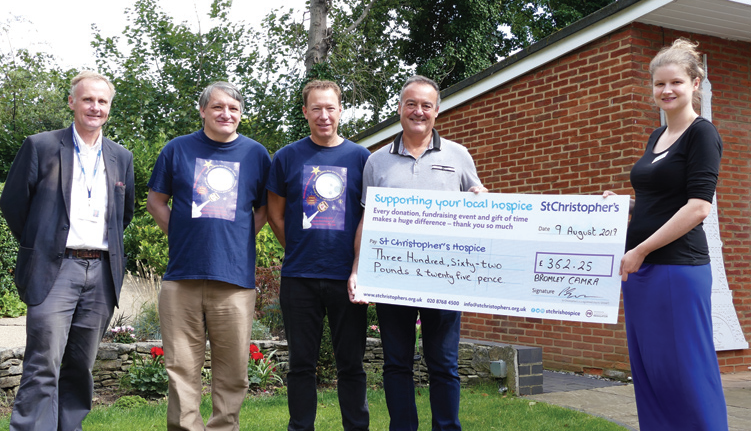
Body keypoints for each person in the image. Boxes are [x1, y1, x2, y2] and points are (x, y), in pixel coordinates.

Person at [348, 75, 487, 431]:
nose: (418, 111)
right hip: (392, 276)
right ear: (399, 109)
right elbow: (367, 220)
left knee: (444, 364)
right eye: (411, 104)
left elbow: (479, 204)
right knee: (397, 364)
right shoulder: (376, 161)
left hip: (445, 277)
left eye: (426, 105)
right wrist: (358, 269)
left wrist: (482, 198)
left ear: (437, 111)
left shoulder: (458, 155)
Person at [604, 38, 728, 430]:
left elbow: (698, 207)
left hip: (677, 270)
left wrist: (640, 249)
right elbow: (658, 202)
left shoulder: (702, 134)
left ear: (695, 83)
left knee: (686, 371)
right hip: (641, 270)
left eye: (676, 82)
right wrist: (625, 205)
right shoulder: (656, 137)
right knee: (652, 370)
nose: (667, 90)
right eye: (659, 83)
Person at [0, 70, 135, 430]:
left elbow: (124, 215)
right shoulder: (41, 146)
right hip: (54, 269)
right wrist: (42, 243)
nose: (95, 107)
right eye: (88, 99)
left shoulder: (121, 157)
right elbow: (13, 204)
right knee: (43, 361)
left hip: (101, 273)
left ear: (109, 107)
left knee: (80, 364)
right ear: (73, 102)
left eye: (102, 101)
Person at [146, 81, 271, 431]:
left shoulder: (256, 154)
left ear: (241, 114)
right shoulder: (177, 149)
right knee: (181, 369)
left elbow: (264, 209)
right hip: (182, 277)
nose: (225, 114)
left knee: (233, 371)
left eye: (233, 108)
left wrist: (237, 240)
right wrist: (181, 235)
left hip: (234, 280)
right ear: (202, 111)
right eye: (217, 107)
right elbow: (155, 201)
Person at [266, 80, 370, 431]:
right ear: (305, 112)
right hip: (299, 277)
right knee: (301, 365)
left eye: (330, 108)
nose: (323, 115)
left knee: (351, 364)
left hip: (347, 279)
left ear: (340, 111)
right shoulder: (286, 157)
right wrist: (298, 248)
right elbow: (275, 214)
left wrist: (357, 265)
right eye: (316, 108)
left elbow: (369, 216)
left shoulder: (361, 158)